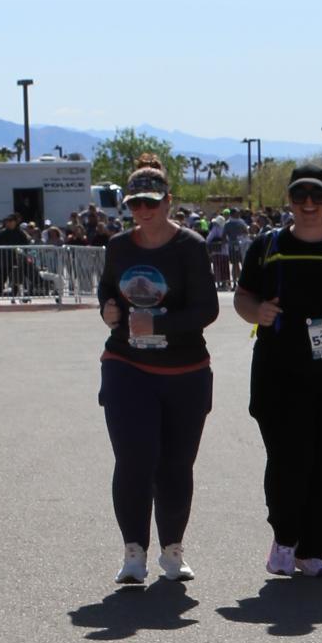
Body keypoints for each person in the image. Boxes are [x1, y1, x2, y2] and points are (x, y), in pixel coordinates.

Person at [234, 166, 322, 579]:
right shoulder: (268, 246)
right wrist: (256, 311)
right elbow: (242, 297)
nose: (308, 204)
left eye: (317, 196)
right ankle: (285, 537)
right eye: (299, 196)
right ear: (290, 201)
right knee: (288, 460)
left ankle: (313, 550)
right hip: (280, 374)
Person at [95, 160, 219, 587]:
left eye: (151, 202)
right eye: (135, 204)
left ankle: (172, 550)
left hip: (185, 370)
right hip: (126, 364)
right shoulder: (118, 246)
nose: (143, 211)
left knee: (175, 465)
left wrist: (160, 325)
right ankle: (133, 552)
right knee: (133, 459)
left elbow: (207, 309)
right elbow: (108, 289)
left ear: (168, 202)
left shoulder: (190, 246)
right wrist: (107, 309)